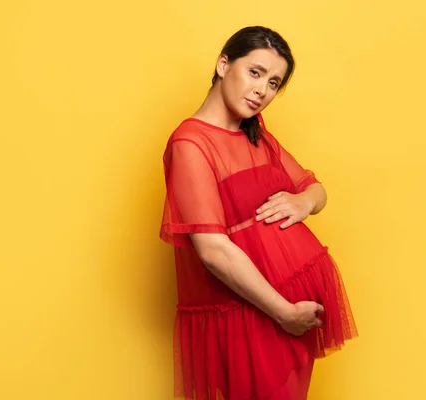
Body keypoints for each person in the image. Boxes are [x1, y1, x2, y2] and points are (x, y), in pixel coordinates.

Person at [159, 25, 358, 400]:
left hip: (288, 315)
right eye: (255, 72)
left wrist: (304, 203)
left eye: (273, 83)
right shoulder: (191, 143)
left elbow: (316, 189)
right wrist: (284, 312)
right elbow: (214, 251)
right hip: (255, 315)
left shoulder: (256, 133)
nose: (261, 91)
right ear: (223, 65)